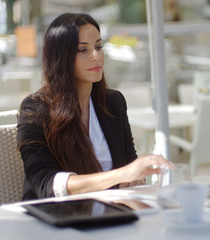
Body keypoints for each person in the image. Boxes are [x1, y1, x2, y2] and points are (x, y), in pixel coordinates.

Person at [17, 13, 173, 200]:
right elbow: (45, 183)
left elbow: (129, 168)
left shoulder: (113, 103)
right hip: (56, 216)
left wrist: (136, 177)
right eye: (83, 50)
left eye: (98, 46)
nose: (95, 56)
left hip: (109, 212)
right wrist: (122, 174)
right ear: (61, 58)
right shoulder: (35, 109)